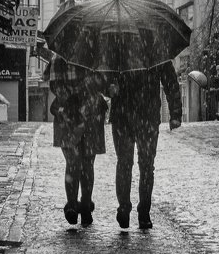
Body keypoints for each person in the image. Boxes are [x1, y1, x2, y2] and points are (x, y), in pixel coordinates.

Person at [108, 61, 183, 229]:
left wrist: (175, 113)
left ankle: (134, 210)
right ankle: (135, 211)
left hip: (134, 115)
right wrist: (175, 113)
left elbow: (169, 80)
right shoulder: (154, 51)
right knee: (138, 165)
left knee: (134, 164)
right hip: (138, 115)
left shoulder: (121, 49)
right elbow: (170, 81)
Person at [45, 54, 109, 226]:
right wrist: (81, 105)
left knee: (76, 163)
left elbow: (56, 87)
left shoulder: (60, 58)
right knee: (84, 164)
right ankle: (82, 205)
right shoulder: (94, 55)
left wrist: (75, 106)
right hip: (82, 116)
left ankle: (76, 205)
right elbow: (102, 84)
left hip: (72, 116)